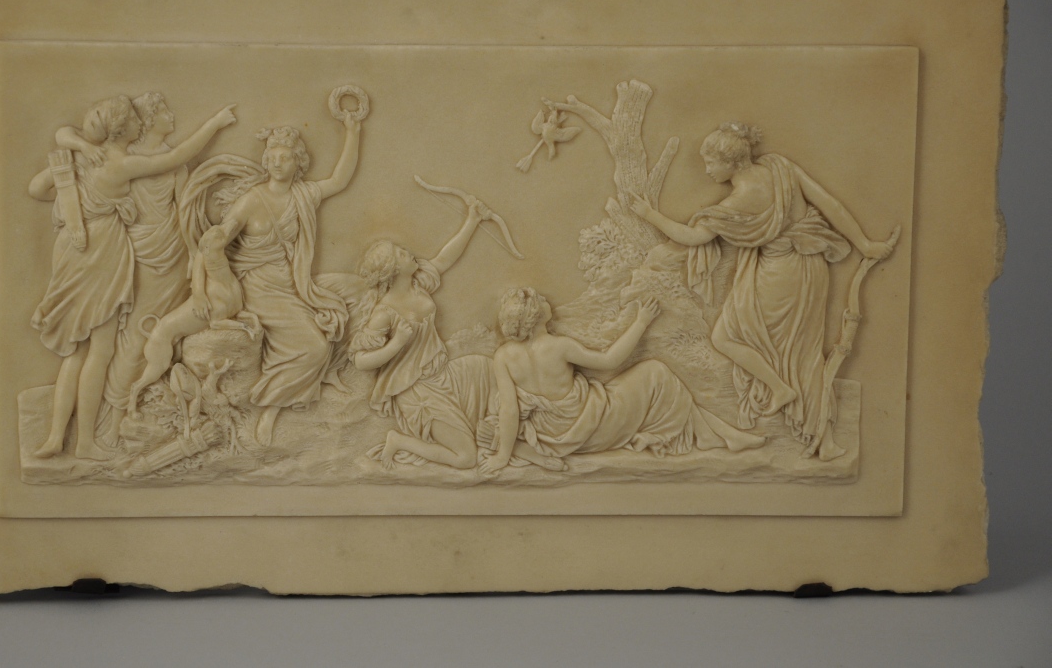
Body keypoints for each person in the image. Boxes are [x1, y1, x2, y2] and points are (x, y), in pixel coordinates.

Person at [629, 122, 893, 460]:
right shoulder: (779, 166)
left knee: (730, 338)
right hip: (808, 268)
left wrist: (650, 214)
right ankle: (819, 434)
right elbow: (828, 203)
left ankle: (788, 396)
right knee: (803, 350)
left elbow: (693, 237)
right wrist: (864, 244)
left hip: (780, 275)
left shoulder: (738, 201)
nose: (707, 170)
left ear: (731, 162)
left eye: (710, 162)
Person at [28, 95, 236, 459]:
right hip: (103, 255)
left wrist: (88, 202)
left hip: (72, 255)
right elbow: (178, 156)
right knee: (101, 351)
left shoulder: (82, 157)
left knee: (76, 352)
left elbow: (37, 188)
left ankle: (56, 437)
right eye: (135, 121)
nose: (140, 123)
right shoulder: (124, 163)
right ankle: (86, 442)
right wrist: (216, 123)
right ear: (124, 129)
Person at [133, 115, 363, 446]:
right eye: (273, 156)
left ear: (298, 162)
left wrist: (352, 129)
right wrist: (199, 291)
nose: (277, 162)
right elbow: (211, 243)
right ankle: (268, 410)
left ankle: (282, 399)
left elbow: (339, 180)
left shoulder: (303, 195)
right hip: (255, 286)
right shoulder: (252, 199)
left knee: (334, 317)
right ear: (266, 160)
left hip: (290, 284)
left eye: (285, 157)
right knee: (314, 347)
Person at [352, 206, 567, 472]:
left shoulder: (418, 285)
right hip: (417, 390)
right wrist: (396, 344)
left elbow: (445, 258)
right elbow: (361, 361)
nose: (407, 252)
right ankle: (399, 441)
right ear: (393, 270)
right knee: (466, 458)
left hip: (445, 375)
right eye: (400, 254)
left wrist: (472, 220)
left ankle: (514, 449)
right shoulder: (384, 313)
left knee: (495, 376)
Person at [480, 287, 764, 477]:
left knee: (490, 421)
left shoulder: (503, 356)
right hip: (594, 426)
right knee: (656, 372)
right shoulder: (559, 346)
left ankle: (724, 435)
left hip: (553, 437)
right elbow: (609, 360)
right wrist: (641, 322)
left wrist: (502, 458)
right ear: (535, 314)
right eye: (541, 300)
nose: (547, 301)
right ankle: (717, 436)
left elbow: (509, 410)